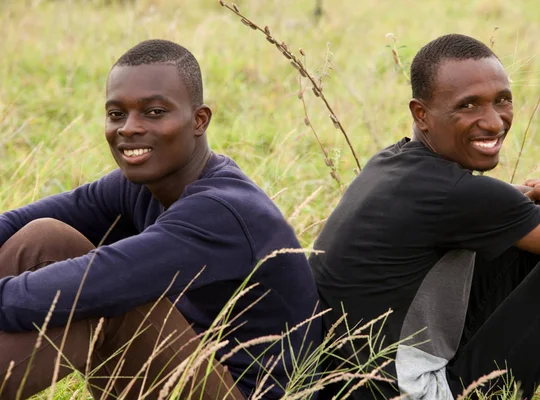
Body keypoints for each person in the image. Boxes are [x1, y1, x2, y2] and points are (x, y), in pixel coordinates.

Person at [0, 39, 322, 400]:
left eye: (154, 112)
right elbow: (12, 224)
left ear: (199, 120)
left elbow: (99, 281)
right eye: (116, 113)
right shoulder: (142, 185)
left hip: (241, 393)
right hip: (185, 372)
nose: (129, 128)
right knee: (46, 238)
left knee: (103, 301)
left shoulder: (222, 212)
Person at [309, 33, 540, 400]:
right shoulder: (457, 194)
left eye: (502, 100)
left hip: (347, 385)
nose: (494, 122)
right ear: (421, 114)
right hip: (412, 392)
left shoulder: (393, 163)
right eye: (468, 106)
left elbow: (513, 207)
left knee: (535, 241)